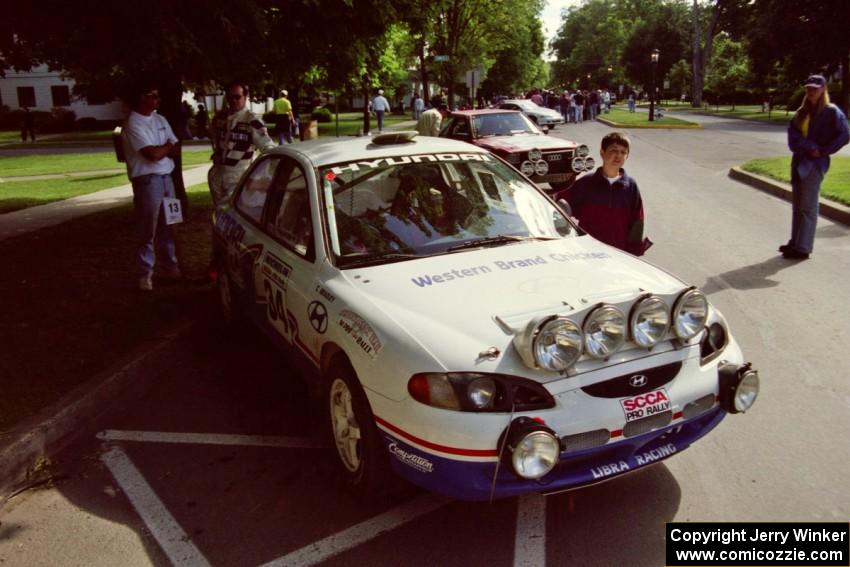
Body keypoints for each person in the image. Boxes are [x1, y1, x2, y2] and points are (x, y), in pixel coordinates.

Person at [121, 83, 182, 291]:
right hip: (148, 181)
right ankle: (145, 273)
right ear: (141, 98)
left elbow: (177, 148)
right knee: (148, 228)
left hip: (167, 179)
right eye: (152, 95)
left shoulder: (160, 119)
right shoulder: (132, 124)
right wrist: (166, 148)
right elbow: (152, 155)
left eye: (158, 95)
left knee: (171, 224)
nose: (157, 99)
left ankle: (171, 267)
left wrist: (163, 149)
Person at [782, 74, 850, 259]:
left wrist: (824, 150)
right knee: (797, 206)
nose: (811, 91)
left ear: (823, 90)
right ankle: (795, 242)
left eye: (815, 88)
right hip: (799, 161)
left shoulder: (831, 112)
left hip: (815, 164)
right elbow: (793, 138)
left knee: (808, 207)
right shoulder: (802, 112)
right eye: (808, 88)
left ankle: (803, 248)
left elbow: (844, 134)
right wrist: (809, 146)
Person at [556, 132, 650, 256]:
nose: (618, 156)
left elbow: (637, 222)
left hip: (619, 253)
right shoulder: (586, 183)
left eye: (623, 152)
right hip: (588, 253)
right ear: (602, 152)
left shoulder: (630, 186)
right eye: (613, 150)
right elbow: (560, 207)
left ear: (627, 156)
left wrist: (633, 252)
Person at [208, 81, 275, 206]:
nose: (233, 100)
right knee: (219, 212)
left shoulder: (252, 121)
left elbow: (268, 147)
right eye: (229, 97)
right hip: (218, 174)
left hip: (238, 177)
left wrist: (258, 175)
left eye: (237, 97)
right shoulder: (220, 118)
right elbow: (215, 141)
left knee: (233, 213)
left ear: (245, 97)